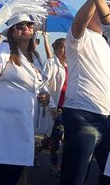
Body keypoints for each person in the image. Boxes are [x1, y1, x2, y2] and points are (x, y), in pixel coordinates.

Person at [0, 14, 51, 185]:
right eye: (19, 26)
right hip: (8, 116)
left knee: (18, 163)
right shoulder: (5, 49)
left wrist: (46, 97)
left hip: (26, 115)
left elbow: (41, 84)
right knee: (11, 164)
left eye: (29, 25)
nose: (25, 28)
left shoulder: (35, 57)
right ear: (12, 32)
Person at [59, 0, 110, 185]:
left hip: (106, 116)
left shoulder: (106, 43)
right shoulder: (78, 38)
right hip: (83, 114)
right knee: (75, 177)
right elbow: (79, 24)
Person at [41, 36, 67, 176]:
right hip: (56, 107)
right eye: (62, 47)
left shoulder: (71, 64)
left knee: (53, 137)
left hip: (69, 108)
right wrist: (51, 105)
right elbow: (43, 85)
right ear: (56, 49)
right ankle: (55, 165)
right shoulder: (51, 63)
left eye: (67, 47)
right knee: (57, 137)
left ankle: (36, 150)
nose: (65, 50)